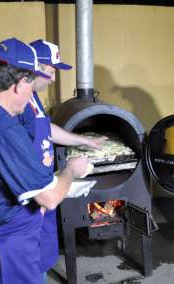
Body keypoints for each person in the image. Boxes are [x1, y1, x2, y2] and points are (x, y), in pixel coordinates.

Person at [0, 37, 93, 284]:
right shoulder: (4, 130)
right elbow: (49, 198)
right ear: (19, 84)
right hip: (6, 248)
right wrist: (71, 170)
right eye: (31, 84)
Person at [18, 39, 103, 281]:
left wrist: (83, 141)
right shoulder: (19, 105)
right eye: (51, 71)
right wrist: (71, 171)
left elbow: (46, 128)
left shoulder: (32, 98)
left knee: (42, 256)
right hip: (34, 198)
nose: (54, 78)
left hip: (44, 192)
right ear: (34, 68)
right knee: (30, 266)